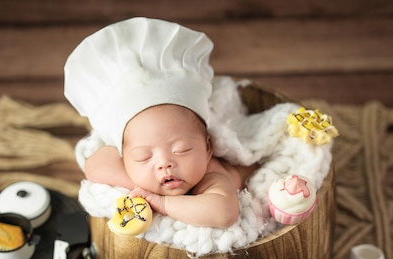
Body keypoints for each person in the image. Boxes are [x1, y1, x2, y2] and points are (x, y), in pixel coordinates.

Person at [64, 17, 257, 228]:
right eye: (143, 156)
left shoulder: (211, 175)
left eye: (181, 150)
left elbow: (223, 214)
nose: (164, 163)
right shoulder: (133, 168)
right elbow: (95, 164)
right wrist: (143, 184)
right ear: (124, 159)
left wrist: (160, 201)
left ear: (208, 148)